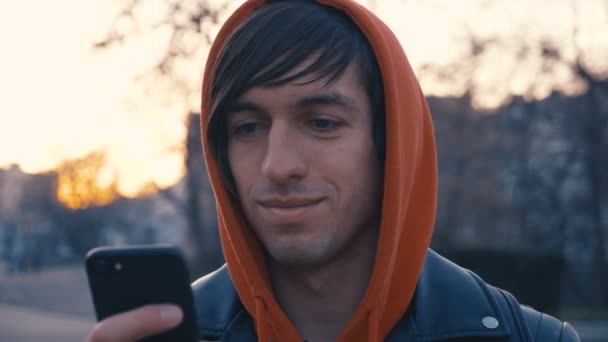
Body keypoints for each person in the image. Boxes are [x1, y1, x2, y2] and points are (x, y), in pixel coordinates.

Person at [87, 0, 581, 341]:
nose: (277, 165)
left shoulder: (529, 338)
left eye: (321, 122)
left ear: (389, 144)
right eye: (247, 127)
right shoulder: (182, 334)